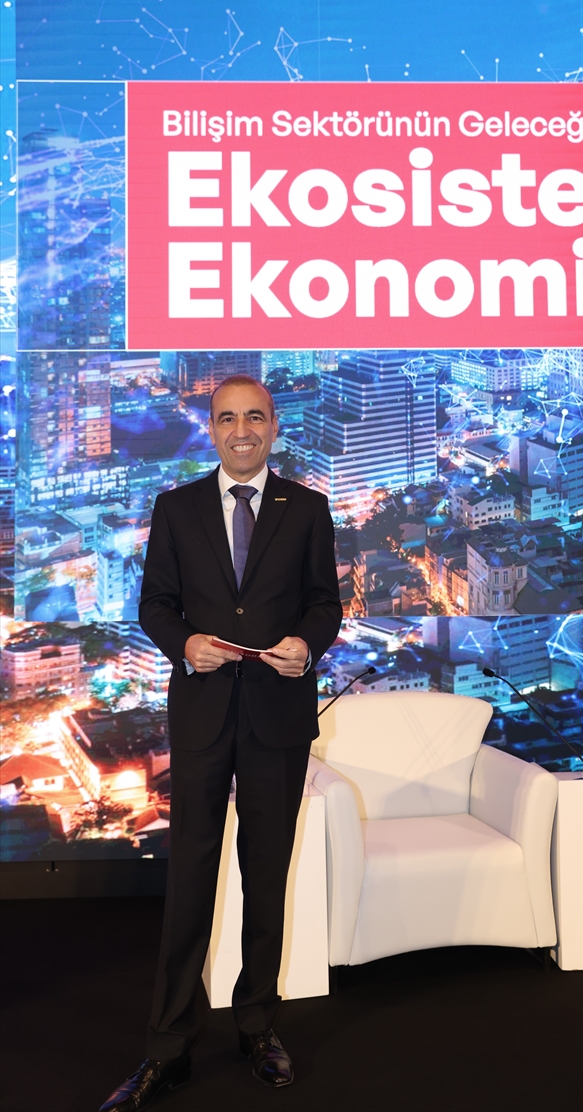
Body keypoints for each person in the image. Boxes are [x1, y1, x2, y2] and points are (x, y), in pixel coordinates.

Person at [100, 375, 342, 1111]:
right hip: (202, 714)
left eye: (254, 417)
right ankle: (167, 1049)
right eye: (228, 418)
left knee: (266, 878)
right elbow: (155, 604)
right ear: (211, 428)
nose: (242, 430)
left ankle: (257, 1029)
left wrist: (307, 643)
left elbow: (324, 603)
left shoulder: (309, 508)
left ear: (274, 427)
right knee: (190, 885)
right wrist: (185, 643)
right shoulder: (175, 508)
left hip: (278, 715)